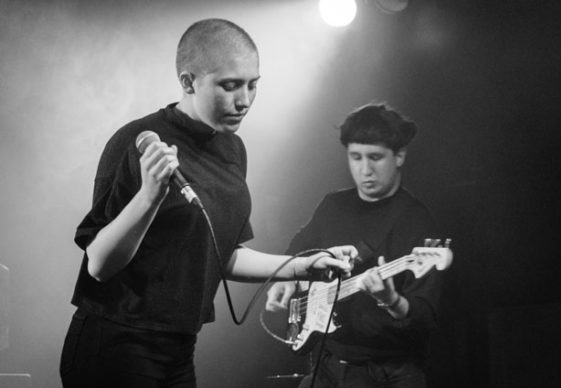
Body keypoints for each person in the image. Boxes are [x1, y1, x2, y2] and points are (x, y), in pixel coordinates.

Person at [60, 18, 356, 388]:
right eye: (229, 86)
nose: (244, 100)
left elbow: (223, 254)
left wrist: (303, 266)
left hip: (179, 350)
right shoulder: (136, 141)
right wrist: (149, 196)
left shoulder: (232, 148)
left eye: (252, 85)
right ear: (188, 81)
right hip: (116, 346)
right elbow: (100, 265)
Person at [265, 103, 445, 388]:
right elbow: (298, 250)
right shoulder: (332, 205)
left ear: (399, 156)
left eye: (375, 157)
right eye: (355, 157)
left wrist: (392, 300)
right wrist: (287, 280)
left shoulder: (417, 221)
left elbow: (425, 318)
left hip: (391, 373)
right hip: (329, 364)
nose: (365, 170)